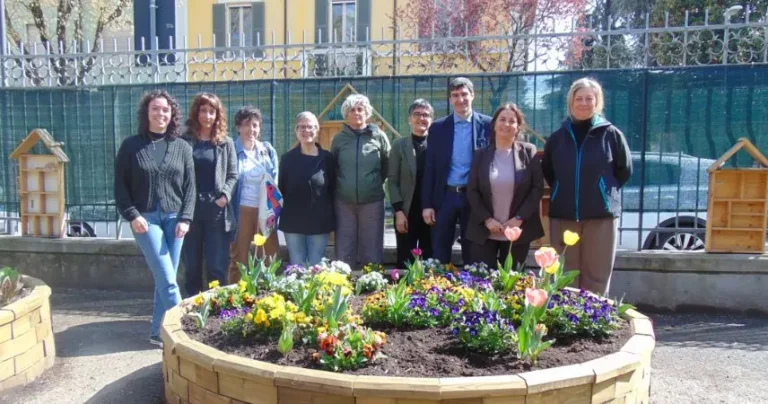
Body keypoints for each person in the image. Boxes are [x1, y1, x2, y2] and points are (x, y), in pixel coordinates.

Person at [114, 90, 195, 347]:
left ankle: (156, 332)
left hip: (175, 219)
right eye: (155, 109)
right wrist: (132, 215)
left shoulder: (182, 147)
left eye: (166, 110)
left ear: (172, 115)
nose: (161, 114)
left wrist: (186, 219)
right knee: (168, 279)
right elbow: (120, 186)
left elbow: (191, 187)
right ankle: (188, 328)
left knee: (166, 276)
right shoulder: (131, 146)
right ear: (146, 113)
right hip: (146, 220)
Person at [542, 78, 632, 295]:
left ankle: (595, 321)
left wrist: (600, 191)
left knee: (597, 276)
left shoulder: (611, 135)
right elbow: (549, 172)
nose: (583, 103)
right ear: (571, 102)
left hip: (600, 216)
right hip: (564, 216)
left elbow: (624, 170)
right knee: (564, 275)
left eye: (589, 98)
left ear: (597, 102)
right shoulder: (557, 138)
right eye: (579, 98)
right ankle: (567, 321)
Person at [422, 77, 492, 265]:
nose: (460, 99)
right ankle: (439, 289)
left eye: (464, 94)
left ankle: (471, 290)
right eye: (455, 95)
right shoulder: (437, 127)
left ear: (473, 95)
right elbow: (430, 167)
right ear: (450, 99)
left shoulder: (488, 125)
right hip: (445, 196)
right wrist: (427, 204)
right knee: (440, 249)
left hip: (474, 197)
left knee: (474, 250)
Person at [466, 104, 544, 269]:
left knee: (512, 283)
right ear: (494, 124)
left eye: (512, 121)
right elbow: (472, 191)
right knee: (483, 283)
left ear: (518, 127)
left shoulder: (529, 152)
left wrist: (518, 219)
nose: (506, 124)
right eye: (502, 119)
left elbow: (536, 189)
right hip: (484, 230)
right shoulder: (480, 155)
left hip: (517, 231)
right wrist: (487, 219)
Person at [180, 93, 237, 295]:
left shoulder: (225, 143)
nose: (207, 116)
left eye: (211, 111)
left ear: (217, 115)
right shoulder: (184, 140)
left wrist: (224, 198)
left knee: (216, 265)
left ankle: (216, 308)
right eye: (203, 110)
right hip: (190, 208)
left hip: (216, 209)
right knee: (192, 265)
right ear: (196, 113)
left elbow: (232, 174)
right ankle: (191, 309)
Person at [331, 94, 391, 269]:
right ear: (346, 114)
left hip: (372, 200)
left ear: (367, 112)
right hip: (344, 201)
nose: (356, 113)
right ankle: (341, 284)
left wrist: (373, 183)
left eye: (360, 109)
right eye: (352, 110)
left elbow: (387, 164)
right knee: (344, 245)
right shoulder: (339, 139)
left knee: (371, 245)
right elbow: (333, 166)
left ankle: (372, 283)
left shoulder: (378, 136)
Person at [229, 106, 280, 283]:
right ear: (238, 127)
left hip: (265, 210)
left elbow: (274, 180)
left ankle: (268, 293)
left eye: (255, 126)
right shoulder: (231, 150)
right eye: (246, 125)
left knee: (269, 254)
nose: (251, 130)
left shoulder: (267, 150)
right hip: (241, 209)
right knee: (239, 256)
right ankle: (236, 298)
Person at [278, 112, 336, 266]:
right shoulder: (287, 159)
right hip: (293, 222)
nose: (306, 131)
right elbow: (281, 188)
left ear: (317, 130)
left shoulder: (327, 159)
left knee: (316, 265)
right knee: (297, 265)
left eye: (310, 127)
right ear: (296, 131)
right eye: (301, 127)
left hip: (319, 222)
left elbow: (333, 189)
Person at [388, 99, 434, 268]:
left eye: (425, 115)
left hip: (431, 213)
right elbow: (392, 181)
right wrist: (398, 211)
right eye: (417, 114)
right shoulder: (399, 146)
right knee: (404, 260)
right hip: (406, 212)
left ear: (431, 120)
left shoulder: (437, 145)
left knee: (429, 259)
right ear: (409, 119)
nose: (421, 118)